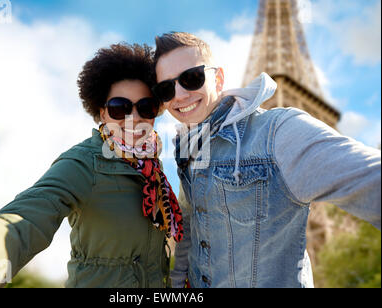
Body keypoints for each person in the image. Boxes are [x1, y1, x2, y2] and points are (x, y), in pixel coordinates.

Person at [0, 42, 183, 288]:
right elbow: (26, 220)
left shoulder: (152, 170)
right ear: (102, 112)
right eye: (120, 108)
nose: (134, 118)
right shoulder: (83, 163)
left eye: (146, 107)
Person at [152, 32, 381, 288]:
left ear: (217, 79)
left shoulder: (277, 132)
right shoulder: (190, 152)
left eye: (191, 78)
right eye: (166, 88)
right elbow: (192, 236)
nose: (180, 95)